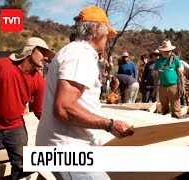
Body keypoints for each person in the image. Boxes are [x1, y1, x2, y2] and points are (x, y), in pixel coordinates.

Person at [35, 6, 134, 180]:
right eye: (106, 35)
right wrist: (109, 125)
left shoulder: (74, 51)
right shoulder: (81, 55)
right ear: (96, 30)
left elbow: (80, 102)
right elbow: (64, 108)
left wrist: (93, 138)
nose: (107, 40)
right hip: (68, 149)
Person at [0, 37, 55, 179]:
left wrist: (57, 130)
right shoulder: (0, 65)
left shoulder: (39, 81)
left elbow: (40, 111)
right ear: (30, 51)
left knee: (22, 166)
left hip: (15, 126)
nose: (45, 58)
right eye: (43, 52)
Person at [153, 40, 185, 119]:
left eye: (168, 51)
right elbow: (156, 76)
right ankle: (166, 125)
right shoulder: (158, 61)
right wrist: (155, 88)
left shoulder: (175, 59)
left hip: (173, 86)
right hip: (162, 87)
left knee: (176, 108)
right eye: (165, 51)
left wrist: (182, 87)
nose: (167, 52)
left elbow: (180, 74)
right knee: (164, 107)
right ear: (162, 51)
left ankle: (178, 124)